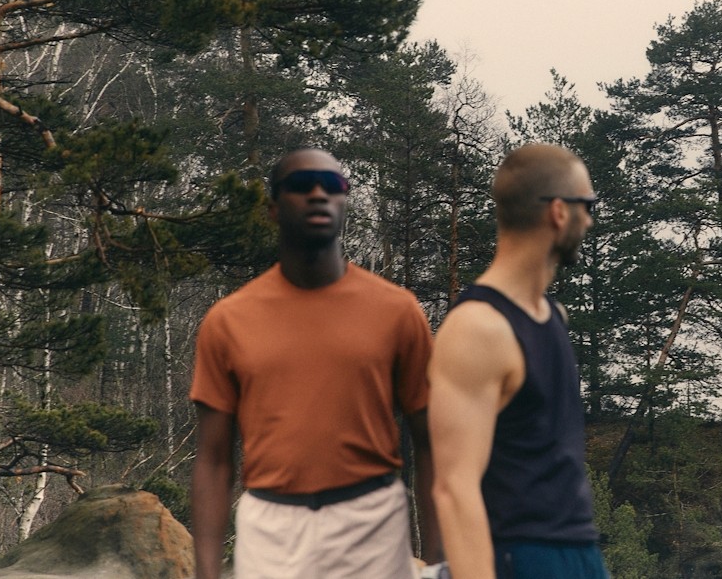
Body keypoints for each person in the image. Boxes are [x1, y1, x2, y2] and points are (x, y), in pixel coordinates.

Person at [190, 148, 438, 579]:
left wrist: (441, 563)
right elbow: (213, 460)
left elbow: (433, 444)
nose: (319, 194)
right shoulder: (228, 321)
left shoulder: (398, 311)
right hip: (271, 530)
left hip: (371, 522)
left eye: (334, 186)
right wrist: (206, 572)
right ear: (273, 209)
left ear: (345, 201)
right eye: (303, 186)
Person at [429, 143, 610, 579]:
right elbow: (455, 488)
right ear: (560, 212)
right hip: (521, 557)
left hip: (579, 551)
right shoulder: (477, 328)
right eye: (588, 205)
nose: (591, 220)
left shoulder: (552, 317)